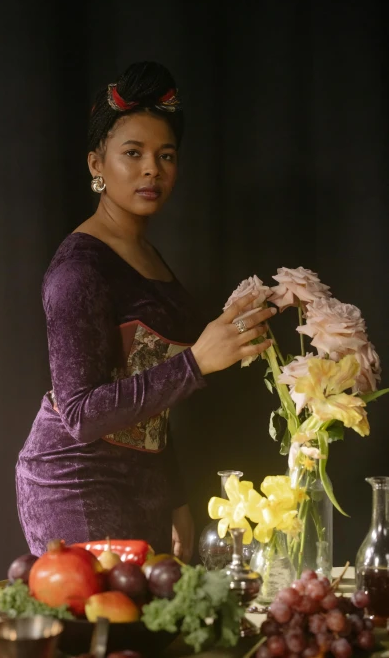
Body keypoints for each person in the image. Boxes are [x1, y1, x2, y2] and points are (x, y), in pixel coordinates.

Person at [16, 61, 275, 562]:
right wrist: (196, 361)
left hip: (146, 482)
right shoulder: (78, 269)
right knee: (106, 631)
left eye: (166, 155)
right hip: (75, 481)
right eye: (132, 154)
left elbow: (147, 392)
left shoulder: (149, 256)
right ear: (97, 164)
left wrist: (174, 493)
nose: (152, 169)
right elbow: (81, 415)